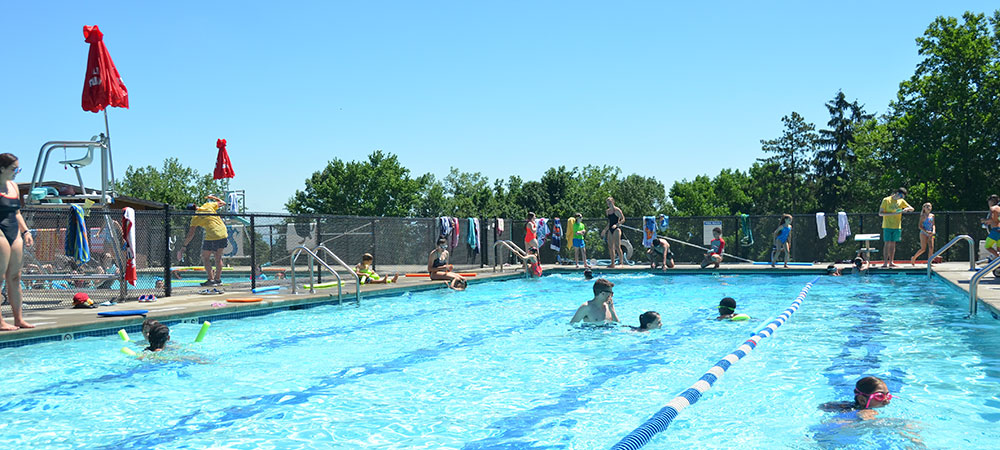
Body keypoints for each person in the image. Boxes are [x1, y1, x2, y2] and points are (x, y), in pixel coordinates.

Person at [0, 154, 34, 331]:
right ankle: (0, 321)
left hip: (14, 229)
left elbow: (17, 212)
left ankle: (18, 319)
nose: (16, 173)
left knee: (15, 276)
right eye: (14, 169)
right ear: (2, 169)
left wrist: (26, 231)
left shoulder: (14, 187)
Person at [177, 196, 229, 286]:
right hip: (223, 232)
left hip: (212, 235)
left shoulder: (195, 218)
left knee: (205, 257)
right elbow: (223, 203)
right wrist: (213, 197)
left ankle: (211, 280)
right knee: (218, 257)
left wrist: (183, 247)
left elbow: (190, 234)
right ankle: (218, 280)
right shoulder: (208, 205)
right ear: (196, 206)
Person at [819, 376, 893, 420]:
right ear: (862, 400)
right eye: (880, 396)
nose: (887, 401)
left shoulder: (847, 405)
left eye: (888, 396)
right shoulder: (866, 412)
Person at [878, 188, 914, 268]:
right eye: (901, 195)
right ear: (897, 193)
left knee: (893, 244)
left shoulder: (901, 201)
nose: (901, 198)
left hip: (897, 226)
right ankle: (885, 263)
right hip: (887, 225)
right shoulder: (886, 200)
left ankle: (891, 262)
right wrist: (892, 214)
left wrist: (907, 209)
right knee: (887, 243)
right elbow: (880, 213)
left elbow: (912, 208)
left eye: (903, 197)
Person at [602, 197, 625, 268]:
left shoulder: (617, 210)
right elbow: (609, 222)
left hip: (617, 229)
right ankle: (612, 263)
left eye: (610, 202)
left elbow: (623, 219)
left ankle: (621, 263)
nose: (608, 204)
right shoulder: (607, 211)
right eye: (607, 203)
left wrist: (616, 225)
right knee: (610, 247)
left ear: (613, 202)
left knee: (617, 246)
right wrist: (604, 230)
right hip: (610, 229)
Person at [980, 195, 1000, 260]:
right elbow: (997, 220)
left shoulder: (993, 208)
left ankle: (998, 257)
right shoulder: (999, 208)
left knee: (987, 246)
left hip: (995, 231)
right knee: (999, 249)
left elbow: (993, 219)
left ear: (991, 201)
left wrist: (984, 220)